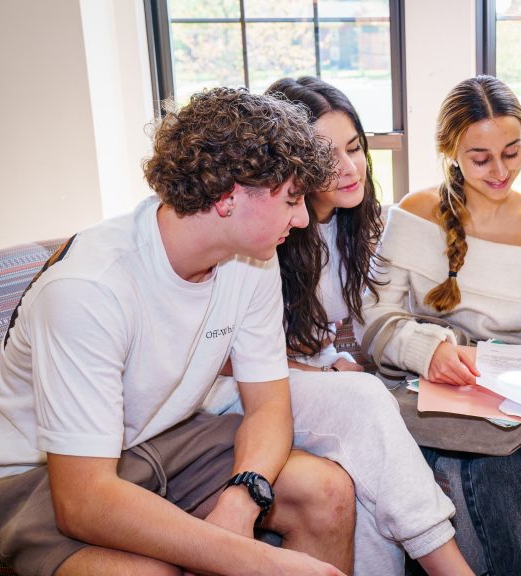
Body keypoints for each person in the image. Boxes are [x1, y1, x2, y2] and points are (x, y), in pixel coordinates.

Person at [0, 87, 356, 576]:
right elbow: (84, 499)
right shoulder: (89, 289)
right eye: (292, 199)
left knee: (328, 493)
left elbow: (268, 406)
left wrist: (242, 500)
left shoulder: (253, 261)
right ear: (228, 196)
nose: (302, 219)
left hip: (169, 439)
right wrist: (253, 559)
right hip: (45, 476)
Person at [201, 76, 472, 576]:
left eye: (355, 148)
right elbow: (226, 354)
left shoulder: (357, 226)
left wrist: (336, 360)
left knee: (365, 479)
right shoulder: (264, 232)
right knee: (364, 399)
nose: (350, 169)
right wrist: (327, 374)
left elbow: (346, 329)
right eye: (329, 156)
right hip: (244, 389)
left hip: (304, 380)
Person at [359, 75, 521, 576]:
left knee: (505, 471)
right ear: (450, 151)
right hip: (419, 386)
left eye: (512, 153)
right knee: (410, 503)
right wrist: (427, 349)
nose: (500, 171)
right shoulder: (414, 213)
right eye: (480, 158)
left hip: (509, 393)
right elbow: (373, 317)